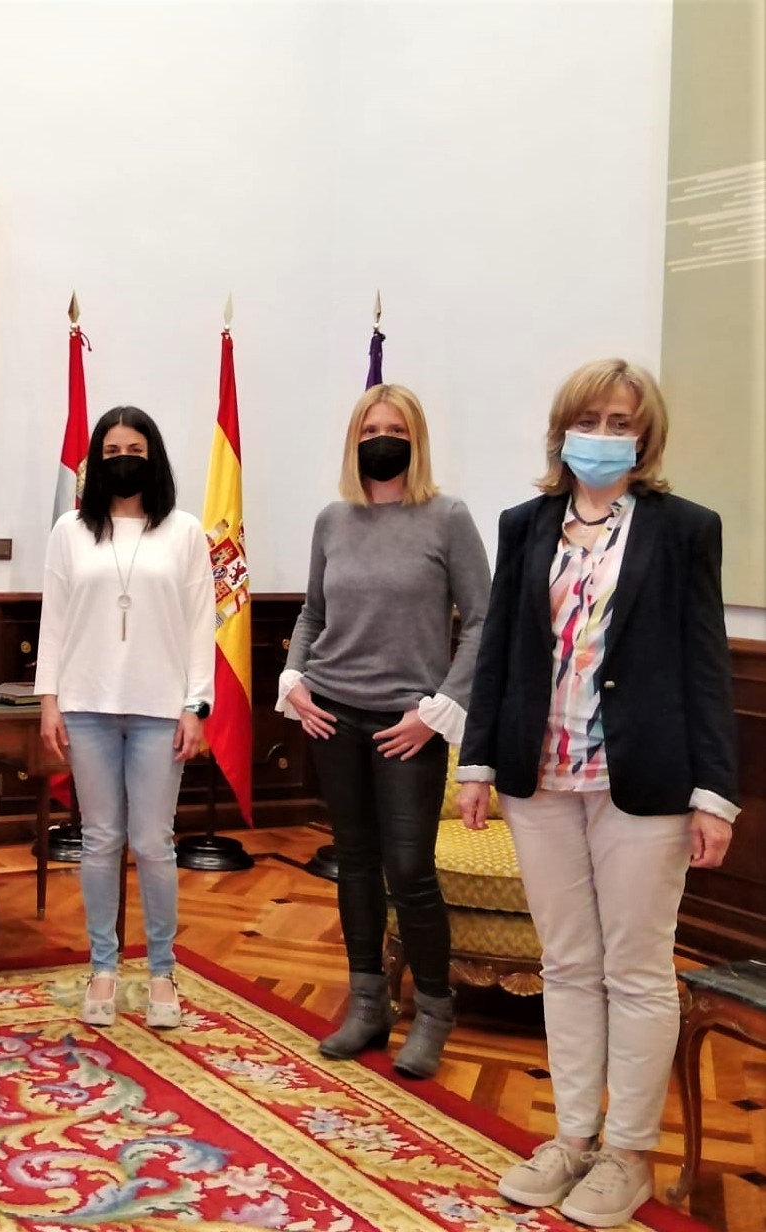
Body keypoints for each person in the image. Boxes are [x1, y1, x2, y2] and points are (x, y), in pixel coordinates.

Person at [458, 360, 738, 1228]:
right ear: (562, 429)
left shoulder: (684, 528)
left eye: (621, 421)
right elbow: (500, 650)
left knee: (638, 969)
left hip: (641, 781)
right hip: (537, 777)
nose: (603, 435)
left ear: (644, 436)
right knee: (568, 964)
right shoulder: (524, 524)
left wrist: (714, 792)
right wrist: (475, 763)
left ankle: (627, 1155)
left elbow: (704, 663)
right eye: (590, 419)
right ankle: (573, 1138)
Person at [279, 384, 491, 1079]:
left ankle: (432, 1011)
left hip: (409, 724)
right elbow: (312, 613)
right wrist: (293, 679)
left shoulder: (447, 517)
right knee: (355, 861)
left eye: (394, 429)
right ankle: (369, 1003)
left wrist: (437, 711)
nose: (381, 439)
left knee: (409, 870)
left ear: (415, 439)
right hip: (332, 714)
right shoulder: (332, 520)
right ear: (354, 440)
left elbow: (482, 621)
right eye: (369, 429)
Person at [35, 406, 216, 1030]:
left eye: (134, 450)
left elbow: (201, 624)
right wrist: (49, 699)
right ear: (96, 461)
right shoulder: (70, 531)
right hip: (85, 705)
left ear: (153, 456)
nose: (122, 460)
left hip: (160, 710)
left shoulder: (185, 532)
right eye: (111, 451)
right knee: (99, 840)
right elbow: (54, 619)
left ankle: (162, 970)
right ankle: (103, 968)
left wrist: (197, 704)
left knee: (153, 843)